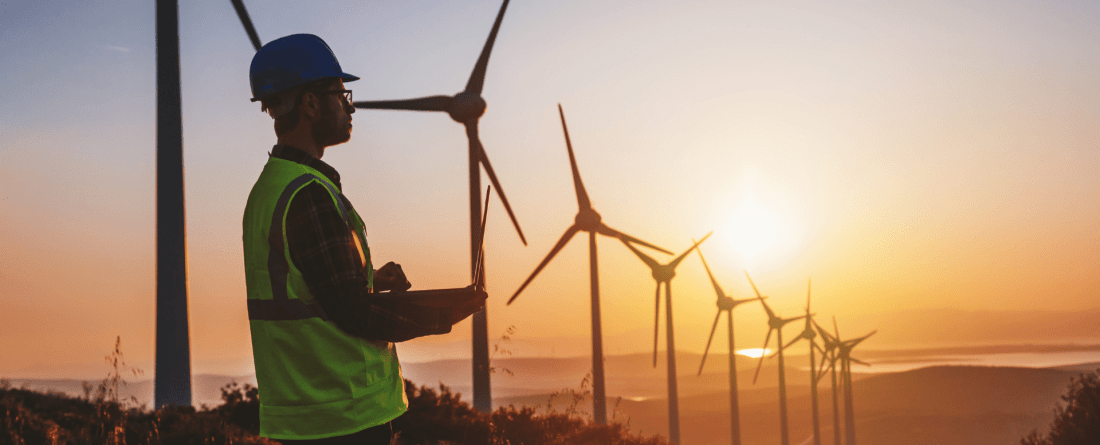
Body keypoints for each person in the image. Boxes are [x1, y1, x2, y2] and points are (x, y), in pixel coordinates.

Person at [241, 34, 487, 444]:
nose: (350, 106)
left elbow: (306, 288)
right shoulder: (308, 194)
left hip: (306, 413)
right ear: (311, 104)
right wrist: (443, 314)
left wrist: (369, 277)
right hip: (343, 414)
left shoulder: (270, 189)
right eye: (341, 94)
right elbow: (352, 312)